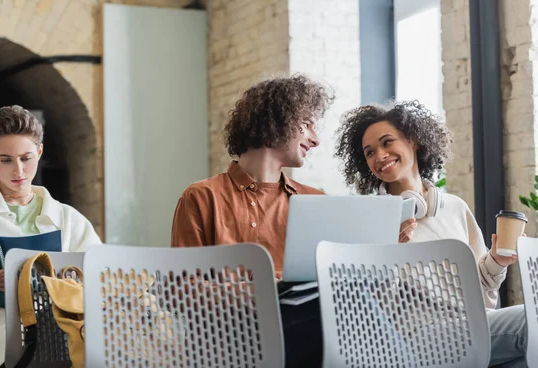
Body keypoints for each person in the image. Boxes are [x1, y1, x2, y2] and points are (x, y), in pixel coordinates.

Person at [335, 100, 528, 367]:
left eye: (387, 142)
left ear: (413, 141)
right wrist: (390, 248)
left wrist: (496, 261)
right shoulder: (370, 218)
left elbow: (482, 287)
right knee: (532, 321)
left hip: (472, 322)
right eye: (369, 152)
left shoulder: (455, 208)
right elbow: (371, 310)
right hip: (416, 337)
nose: (379, 155)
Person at [171, 75, 334, 367]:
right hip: (231, 339)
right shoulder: (201, 197)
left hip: (306, 328)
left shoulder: (315, 200)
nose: (315, 138)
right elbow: (181, 290)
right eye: (307, 124)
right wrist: (259, 291)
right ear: (277, 120)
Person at [0, 105, 102, 368]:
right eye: (6, 160)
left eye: (26, 158)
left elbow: (102, 278)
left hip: (65, 335)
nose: (18, 171)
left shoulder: (69, 219)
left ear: (39, 151)